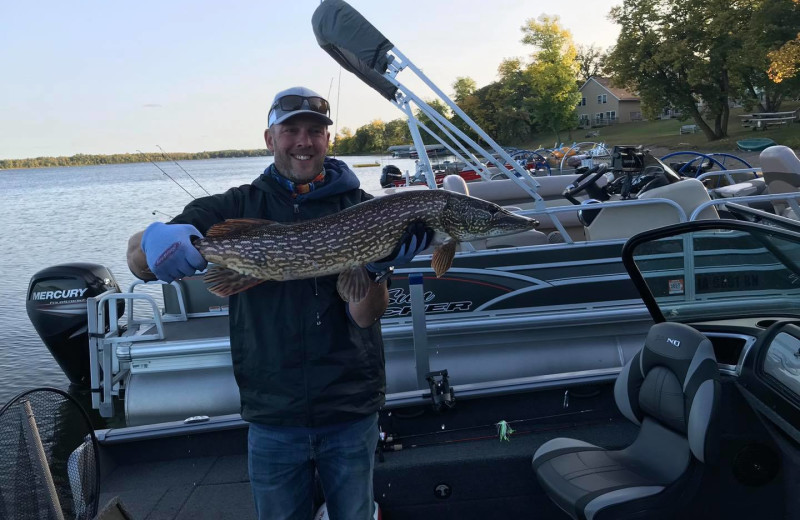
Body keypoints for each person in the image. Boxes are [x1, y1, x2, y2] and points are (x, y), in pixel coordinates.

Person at [126, 86, 433, 520]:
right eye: (291, 131)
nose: (304, 141)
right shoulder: (234, 206)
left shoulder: (365, 212)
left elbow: (365, 316)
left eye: (315, 131)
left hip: (349, 408)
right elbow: (137, 261)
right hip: (273, 414)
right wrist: (152, 242)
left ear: (329, 140)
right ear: (270, 139)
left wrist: (380, 267)